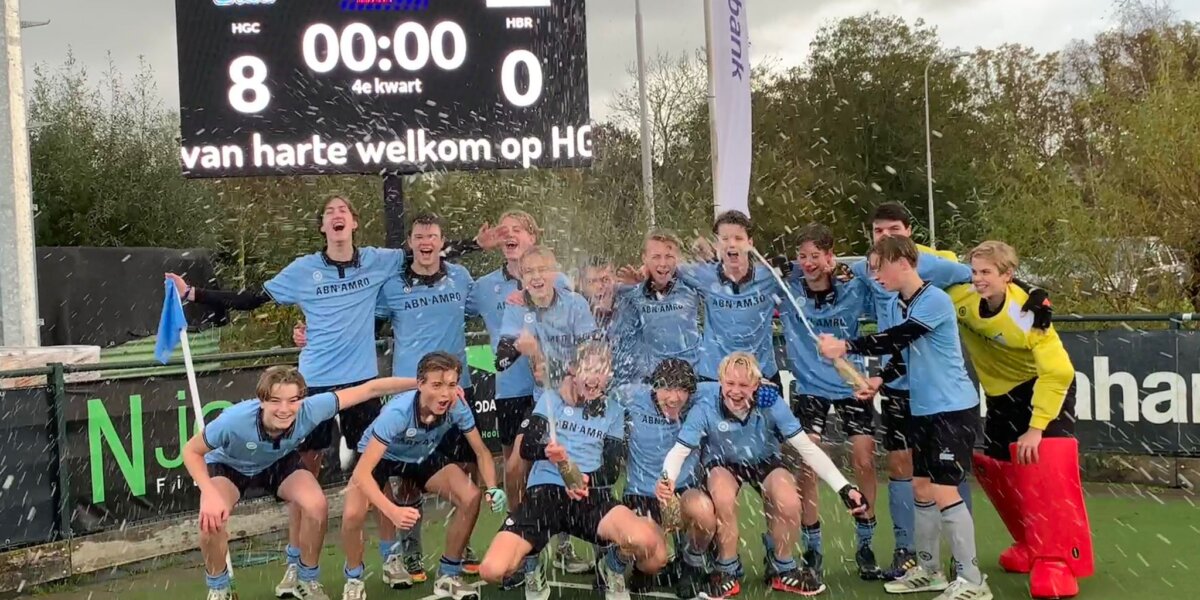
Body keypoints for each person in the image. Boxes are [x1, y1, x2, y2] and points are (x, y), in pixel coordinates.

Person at [169, 195, 406, 597]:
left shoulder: (379, 260)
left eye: (343, 211)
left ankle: (391, 557)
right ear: (322, 227)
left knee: (378, 474)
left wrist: (477, 244)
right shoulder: (302, 270)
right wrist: (193, 293)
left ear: (354, 223)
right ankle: (297, 569)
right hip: (312, 389)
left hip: (361, 386)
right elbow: (251, 299)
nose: (336, 216)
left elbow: (425, 253)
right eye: (329, 212)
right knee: (306, 482)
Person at [819, 236, 993, 600]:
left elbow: (898, 337)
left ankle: (973, 580)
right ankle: (929, 571)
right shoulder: (902, 302)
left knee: (944, 491)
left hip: (952, 410)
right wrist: (880, 380)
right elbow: (904, 352)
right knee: (921, 487)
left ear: (902, 262)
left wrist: (846, 345)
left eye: (879, 268)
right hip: (924, 409)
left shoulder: (935, 300)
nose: (875, 276)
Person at [181, 366, 421, 600]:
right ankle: (220, 588)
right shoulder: (234, 420)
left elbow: (370, 389)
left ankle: (306, 580)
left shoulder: (313, 408)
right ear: (262, 400)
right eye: (275, 401)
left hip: (278, 462)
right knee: (210, 521)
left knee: (316, 505)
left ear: (302, 399)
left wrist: (420, 384)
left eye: (292, 400)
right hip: (230, 466)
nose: (284, 409)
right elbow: (191, 451)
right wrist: (209, 493)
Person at [947, 241, 1092, 599]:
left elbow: (1059, 372)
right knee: (1000, 471)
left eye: (986, 272)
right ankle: (1030, 543)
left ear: (1008, 276)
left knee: (1045, 467)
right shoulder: (960, 295)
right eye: (974, 271)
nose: (977, 279)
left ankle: (1057, 560)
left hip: (1044, 389)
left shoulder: (1028, 315)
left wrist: (1036, 427)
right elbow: (925, 258)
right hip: (1001, 395)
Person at [660, 352, 868, 597]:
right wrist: (667, 479)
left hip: (764, 459)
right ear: (720, 381)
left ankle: (782, 567)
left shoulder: (772, 402)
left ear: (757, 384)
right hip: (723, 462)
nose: (735, 391)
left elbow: (807, 448)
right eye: (730, 383)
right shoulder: (705, 403)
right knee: (722, 495)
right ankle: (726, 569)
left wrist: (845, 488)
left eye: (744, 385)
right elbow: (679, 450)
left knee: (789, 500)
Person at [479, 340, 667, 600]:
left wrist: (585, 479)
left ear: (609, 375)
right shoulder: (551, 399)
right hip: (544, 496)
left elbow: (611, 469)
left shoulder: (614, 411)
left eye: (601, 371)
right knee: (492, 570)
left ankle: (611, 566)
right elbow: (528, 447)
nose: (594, 378)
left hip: (589, 496)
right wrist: (548, 452)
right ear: (574, 371)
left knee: (646, 540)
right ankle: (533, 561)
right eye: (588, 369)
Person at [341, 352, 504, 600]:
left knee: (471, 496)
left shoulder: (457, 405)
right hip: (381, 456)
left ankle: (448, 575)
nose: (445, 394)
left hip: (422, 453)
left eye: (451, 385)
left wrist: (492, 487)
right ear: (420, 385)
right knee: (353, 513)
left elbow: (481, 452)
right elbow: (362, 473)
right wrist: (392, 511)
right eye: (436, 385)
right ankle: (354, 578)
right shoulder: (398, 412)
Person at [777, 223, 881, 585]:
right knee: (808, 464)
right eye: (802, 256)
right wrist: (786, 267)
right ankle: (814, 548)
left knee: (864, 459)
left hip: (851, 386)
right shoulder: (789, 290)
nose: (808, 263)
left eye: (815, 256)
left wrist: (851, 268)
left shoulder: (852, 288)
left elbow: (881, 281)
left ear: (830, 257)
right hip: (810, 389)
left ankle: (865, 543)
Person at [495, 244, 600, 576]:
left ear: (556, 272)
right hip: (545, 401)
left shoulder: (575, 303)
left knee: (577, 467)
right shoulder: (517, 307)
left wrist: (550, 363)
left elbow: (591, 353)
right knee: (515, 466)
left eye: (543, 270)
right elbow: (500, 361)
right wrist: (519, 347)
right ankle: (520, 536)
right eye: (529, 272)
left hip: (578, 397)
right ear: (521, 277)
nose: (536, 277)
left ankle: (574, 546)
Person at [617, 359, 722, 600]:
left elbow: (732, 386)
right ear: (654, 386)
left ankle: (691, 565)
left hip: (683, 490)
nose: (674, 397)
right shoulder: (631, 397)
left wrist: (762, 386)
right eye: (667, 388)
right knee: (654, 560)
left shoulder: (699, 397)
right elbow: (596, 390)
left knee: (704, 511)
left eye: (682, 389)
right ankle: (642, 568)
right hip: (641, 491)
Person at [677, 211, 782, 383]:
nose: (731, 244)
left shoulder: (770, 275)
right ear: (717, 244)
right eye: (724, 239)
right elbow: (666, 268)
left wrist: (835, 271)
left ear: (750, 243)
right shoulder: (704, 275)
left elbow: (812, 269)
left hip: (760, 375)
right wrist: (644, 272)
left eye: (738, 238)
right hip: (715, 376)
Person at [616, 230, 702, 381]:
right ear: (644, 258)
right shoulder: (634, 292)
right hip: (654, 379)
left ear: (678, 259)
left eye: (669, 256)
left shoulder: (690, 286)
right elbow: (626, 337)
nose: (663, 263)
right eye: (656, 257)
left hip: (692, 376)